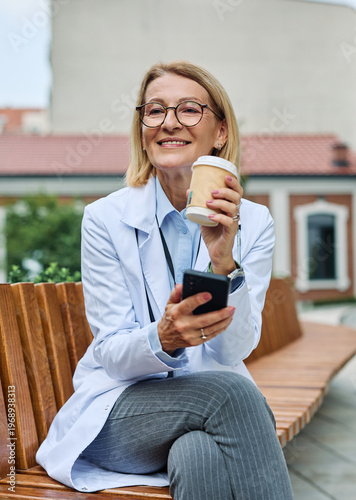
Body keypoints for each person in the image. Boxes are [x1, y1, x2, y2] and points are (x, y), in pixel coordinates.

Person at [36, 60, 294, 499]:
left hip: (210, 415)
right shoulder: (105, 219)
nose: (169, 122)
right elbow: (113, 353)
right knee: (230, 395)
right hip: (122, 413)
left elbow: (234, 349)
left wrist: (222, 263)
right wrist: (164, 337)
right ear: (142, 128)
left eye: (189, 109)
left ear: (221, 131)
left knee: (197, 455)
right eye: (154, 111)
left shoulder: (252, 222)